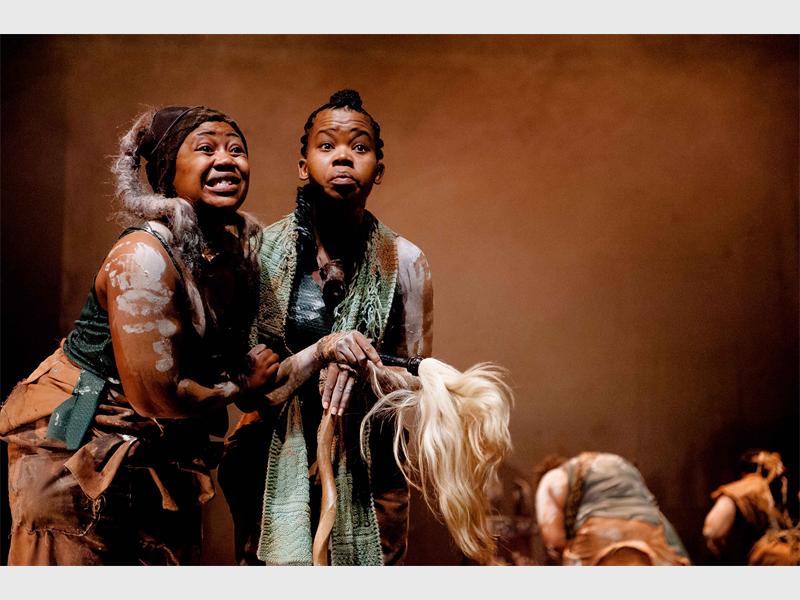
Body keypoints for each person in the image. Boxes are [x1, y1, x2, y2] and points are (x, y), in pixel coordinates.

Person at [0, 106, 280, 565]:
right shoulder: (141, 257)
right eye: (206, 148)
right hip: (78, 439)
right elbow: (157, 398)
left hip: (157, 450)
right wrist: (240, 384)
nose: (226, 160)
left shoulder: (230, 254)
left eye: (236, 150)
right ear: (170, 172)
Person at [218, 89, 435, 566]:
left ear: (378, 170)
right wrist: (322, 350)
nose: (343, 156)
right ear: (303, 166)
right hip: (271, 457)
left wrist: (365, 370)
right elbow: (246, 388)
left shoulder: (405, 262)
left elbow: (417, 379)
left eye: (359, 147)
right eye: (327, 145)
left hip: (371, 464)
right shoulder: (258, 254)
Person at [533, 452, 691, 566]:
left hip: (600, 535)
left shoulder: (552, 477)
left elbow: (554, 540)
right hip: (655, 532)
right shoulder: (618, 462)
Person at [703, 449, 797, 565]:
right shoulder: (752, 486)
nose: (776, 464)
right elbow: (712, 530)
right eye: (770, 461)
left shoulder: (776, 496)